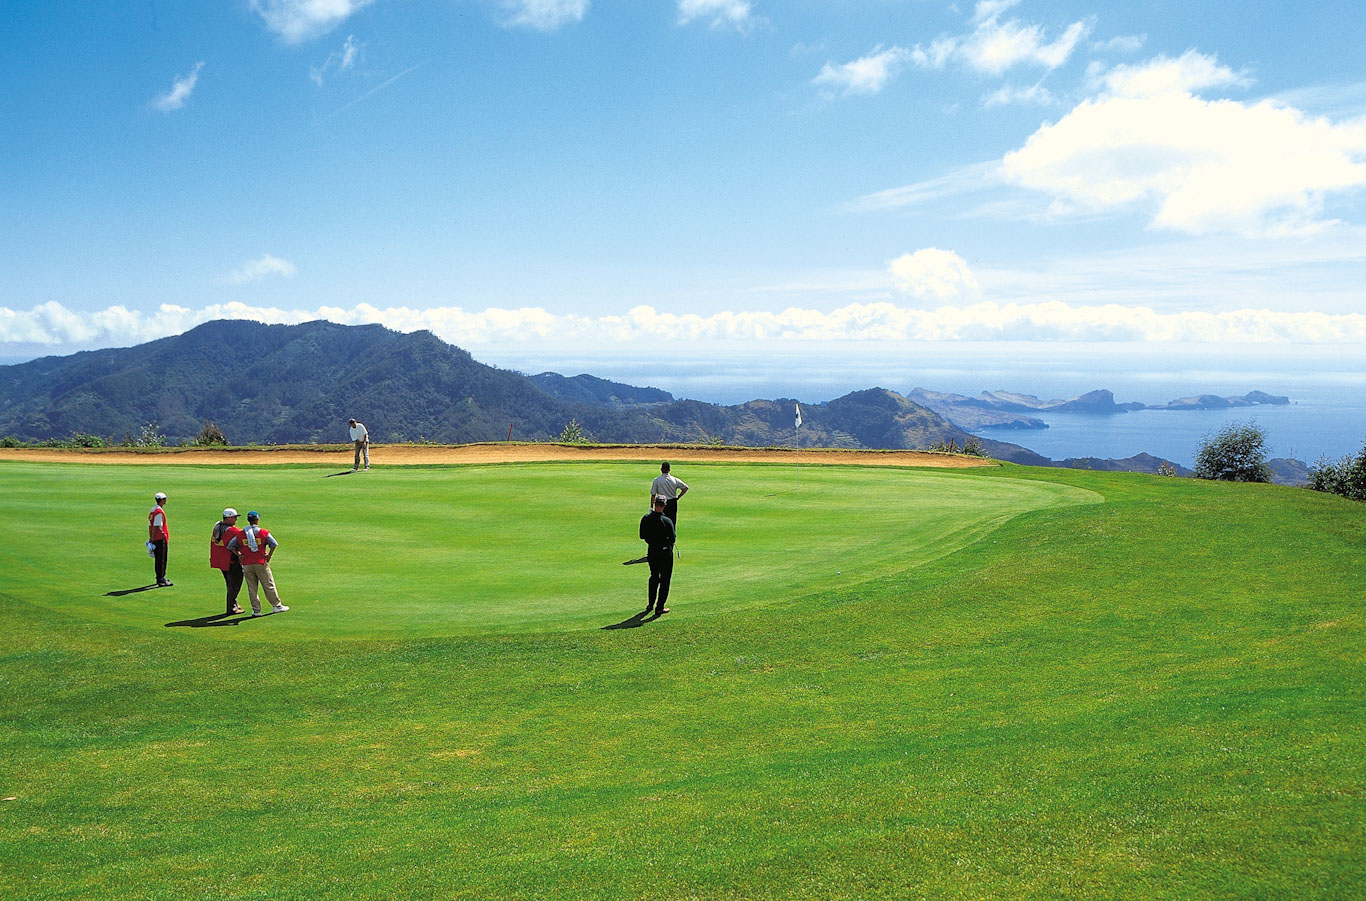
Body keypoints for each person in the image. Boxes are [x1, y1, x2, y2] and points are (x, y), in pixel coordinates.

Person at [227, 511, 289, 617]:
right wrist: (269, 555)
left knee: (252, 588)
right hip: (260, 563)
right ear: (257, 520)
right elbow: (273, 544)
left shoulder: (241, 534)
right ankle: (276, 606)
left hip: (247, 564)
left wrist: (239, 555)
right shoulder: (263, 532)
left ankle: (256, 611)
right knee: (268, 585)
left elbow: (230, 546)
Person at [638, 495, 677, 616]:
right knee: (665, 579)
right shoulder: (667, 521)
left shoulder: (646, 518)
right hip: (665, 552)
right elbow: (672, 538)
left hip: (652, 551)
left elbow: (642, 536)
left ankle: (650, 604)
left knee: (654, 576)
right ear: (664, 505)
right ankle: (659, 607)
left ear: (655, 504)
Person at [210, 508, 245, 615]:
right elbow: (243, 537)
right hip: (230, 561)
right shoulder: (232, 531)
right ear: (228, 518)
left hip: (220, 560)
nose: (236, 520)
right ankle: (231, 608)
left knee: (230, 583)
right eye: (234, 518)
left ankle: (233, 604)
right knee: (234, 584)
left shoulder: (217, 526)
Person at [649, 462, 689, 529]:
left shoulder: (657, 480)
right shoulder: (674, 479)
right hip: (672, 503)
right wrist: (678, 497)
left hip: (660, 502)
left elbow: (653, 495)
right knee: (672, 522)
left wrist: (651, 506)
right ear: (669, 470)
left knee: (660, 522)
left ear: (661, 469)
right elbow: (685, 488)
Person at [148, 491, 172, 587]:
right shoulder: (158, 512)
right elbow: (156, 526)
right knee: (161, 559)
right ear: (161, 500)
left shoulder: (153, 510)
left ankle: (160, 577)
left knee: (159, 559)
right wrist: (152, 538)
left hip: (156, 538)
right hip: (160, 538)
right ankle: (161, 579)